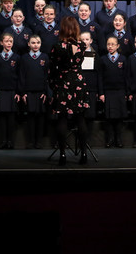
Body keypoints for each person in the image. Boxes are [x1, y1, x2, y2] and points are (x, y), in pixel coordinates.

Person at [48, 16, 90, 165]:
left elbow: (52, 68)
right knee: (80, 119)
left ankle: (63, 155)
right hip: (78, 82)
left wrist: (53, 85)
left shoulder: (58, 46)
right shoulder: (82, 46)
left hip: (63, 81)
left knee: (62, 119)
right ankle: (84, 154)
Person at [19, 34, 51, 149]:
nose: (35, 45)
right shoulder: (24, 58)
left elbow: (47, 76)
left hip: (41, 92)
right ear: (28, 44)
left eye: (37, 42)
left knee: (41, 118)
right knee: (31, 117)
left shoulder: (45, 57)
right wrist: (23, 92)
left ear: (41, 44)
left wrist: (45, 92)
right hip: (29, 92)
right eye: (33, 42)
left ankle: (39, 141)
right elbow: (22, 76)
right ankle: (31, 141)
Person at [0, 32, 20, 149]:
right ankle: (3, 140)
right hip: (1, 91)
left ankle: (10, 141)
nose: (8, 43)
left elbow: (20, 76)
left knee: (11, 118)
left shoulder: (17, 57)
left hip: (13, 91)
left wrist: (19, 92)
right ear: (1, 42)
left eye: (10, 41)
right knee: (2, 118)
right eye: (6, 41)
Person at [99, 35, 128, 148]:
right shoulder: (103, 59)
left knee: (119, 117)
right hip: (108, 92)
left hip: (120, 91)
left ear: (118, 46)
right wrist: (101, 93)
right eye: (108, 44)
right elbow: (100, 77)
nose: (110, 46)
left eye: (112, 44)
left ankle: (119, 139)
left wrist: (127, 92)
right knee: (109, 117)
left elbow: (126, 77)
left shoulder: (123, 59)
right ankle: (110, 139)